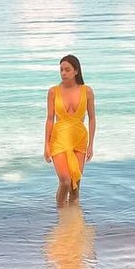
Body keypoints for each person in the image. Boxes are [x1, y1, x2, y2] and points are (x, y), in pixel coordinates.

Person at [44, 54, 95, 205]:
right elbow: (49, 118)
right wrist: (46, 145)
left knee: (75, 184)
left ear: (76, 71)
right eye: (61, 70)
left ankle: (74, 218)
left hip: (79, 139)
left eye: (67, 69)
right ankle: (60, 216)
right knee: (65, 181)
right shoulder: (53, 91)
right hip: (59, 139)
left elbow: (92, 118)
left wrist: (91, 145)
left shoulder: (87, 91)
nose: (63, 73)